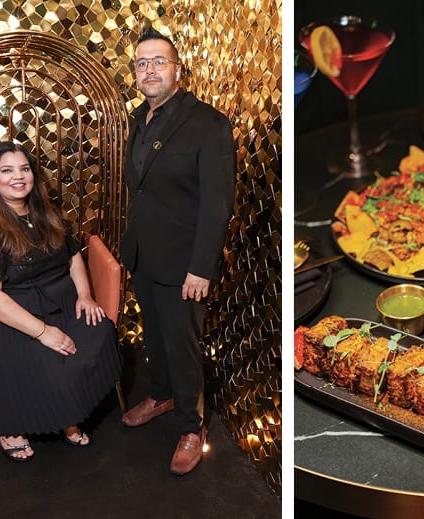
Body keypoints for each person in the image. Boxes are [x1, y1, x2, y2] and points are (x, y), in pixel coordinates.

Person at [0, 141, 123, 462]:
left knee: (98, 332)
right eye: (7, 170)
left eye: (24, 169)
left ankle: (65, 410)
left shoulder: (44, 212)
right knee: (47, 358)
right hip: (4, 313)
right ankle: (12, 424)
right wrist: (43, 332)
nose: (18, 177)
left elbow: (72, 256)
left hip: (56, 299)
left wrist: (85, 295)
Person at [119, 27, 235, 476]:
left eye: (159, 62)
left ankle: (192, 427)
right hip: (144, 255)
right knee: (155, 335)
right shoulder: (136, 119)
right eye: (142, 63)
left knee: (183, 345)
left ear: (178, 70)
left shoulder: (209, 123)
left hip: (186, 263)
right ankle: (162, 395)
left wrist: (201, 268)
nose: (150, 70)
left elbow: (217, 204)